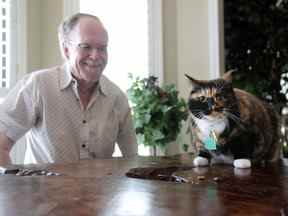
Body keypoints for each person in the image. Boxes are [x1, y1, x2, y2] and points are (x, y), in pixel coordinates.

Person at [0, 13, 138, 165]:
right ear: (66, 49)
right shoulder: (38, 86)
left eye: (102, 48)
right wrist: (16, 187)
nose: (96, 56)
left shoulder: (116, 97)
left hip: (102, 189)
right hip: (45, 189)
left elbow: (132, 161)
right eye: (86, 47)